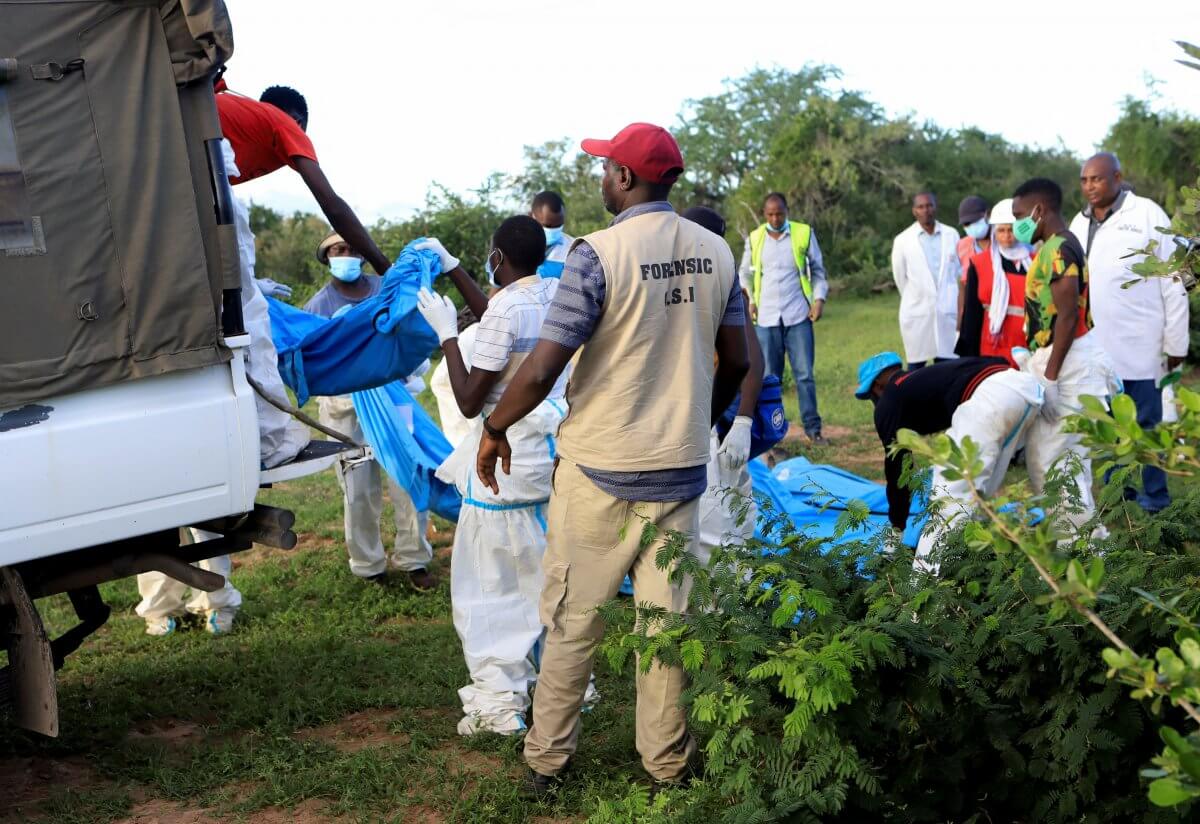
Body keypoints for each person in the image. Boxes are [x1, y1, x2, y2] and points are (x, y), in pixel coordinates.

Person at [473, 123, 748, 794]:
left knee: (572, 620)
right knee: (666, 630)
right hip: (681, 472)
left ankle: (547, 762)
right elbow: (737, 360)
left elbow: (542, 368)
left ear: (625, 179)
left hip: (600, 472)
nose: (600, 180)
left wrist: (494, 428)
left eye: (605, 170)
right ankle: (667, 768)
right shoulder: (717, 251)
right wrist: (695, 423)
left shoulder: (595, 256)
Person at [416, 216, 601, 736]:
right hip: (552, 458)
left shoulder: (505, 311)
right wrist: (453, 270)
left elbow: (473, 398)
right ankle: (567, 685)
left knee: (491, 584)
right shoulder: (551, 294)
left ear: (497, 257)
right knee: (550, 574)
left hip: (505, 458)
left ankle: (499, 701)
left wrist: (448, 337)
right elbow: (501, 317)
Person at [303, 233, 438, 590]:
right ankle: (368, 566)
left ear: (363, 255)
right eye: (337, 251)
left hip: (395, 405)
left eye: (350, 249)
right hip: (347, 413)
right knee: (358, 490)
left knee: (407, 481)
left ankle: (414, 559)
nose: (345, 255)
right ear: (327, 257)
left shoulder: (385, 289)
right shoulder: (319, 306)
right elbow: (315, 361)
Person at [1068, 152, 1190, 513]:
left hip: (1143, 346)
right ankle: (1117, 497)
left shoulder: (1148, 214)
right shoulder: (1079, 222)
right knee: (1108, 428)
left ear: (1118, 177)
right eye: (1085, 180)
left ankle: (1156, 499)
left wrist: (1176, 341)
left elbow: (1175, 280)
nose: (1090, 186)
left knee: (1148, 425)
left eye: (1098, 179)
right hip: (1098, 351)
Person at [856, 353, 1043, 573]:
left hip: (990, 398)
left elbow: (896, 468)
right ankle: (983, 560)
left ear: (877, 387)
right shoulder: (923, 379)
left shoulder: (888, 401)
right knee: (978, 493)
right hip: (1025, 388)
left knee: (947, 500)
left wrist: (897, 527)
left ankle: (922, 592)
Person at [1012, 178, 1119, 534]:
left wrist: (1051, 376)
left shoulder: (1059, 249)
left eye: (1020, 215)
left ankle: (1083, 547)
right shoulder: (1055, 245)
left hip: (1068, 363)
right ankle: (1081, 542)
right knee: (1057, 461)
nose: (1017, 225)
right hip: (1062, 357)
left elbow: (1069, 314)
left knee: (1057, 462)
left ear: (1039, 210)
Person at [215, 81, 392, 277]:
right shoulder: (284, 123)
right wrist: (385, 268)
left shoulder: (248, 126)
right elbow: (331, 204)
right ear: (299, 122)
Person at [684, 206, 765, 563]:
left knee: (717, 516)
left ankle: (729, 607)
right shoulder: (677, 280)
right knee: (729, 508)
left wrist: (743, 424)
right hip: (703, 412)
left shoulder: (724, 283)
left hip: (712, 416)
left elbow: (749, 359)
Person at [741, 192, 829, 444]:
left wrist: (819, 300)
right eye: (770, 214)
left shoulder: (803, 233)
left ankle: (813, 429)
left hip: (798, 315)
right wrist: (751, 302)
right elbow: (744, 274)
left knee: (804, 375)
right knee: (770, 380)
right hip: (766, 319)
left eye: (779, 213)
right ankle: (772, 435)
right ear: (763, 214)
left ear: (786, 211)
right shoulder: (755, 238)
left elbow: (819, 271)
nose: (775, 218)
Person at [956, 199, 1033, 366]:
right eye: (1001, 230)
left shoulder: (1035, 263)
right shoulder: (979, 264)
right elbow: (972, 315)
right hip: (992, 347)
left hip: (1027, 348)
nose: (1007, 236)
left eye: (1011, 230)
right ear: (994, 231)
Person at [891, 192, 962, 369]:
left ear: (935, 207)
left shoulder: (951, 234)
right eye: (921, 207)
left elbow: (957, 273)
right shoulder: (903, 240)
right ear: (914, 211)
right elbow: (900, 278)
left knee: (949, 367)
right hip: (917, 312)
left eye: (929, 205)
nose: (926, 210)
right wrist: (916, 296)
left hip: (947, 311)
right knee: (916, 369)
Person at [956, 195, 992, 329]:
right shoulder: (962, 246)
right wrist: (960, 322)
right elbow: (964, 285)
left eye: (975, 221)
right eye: (967, 224)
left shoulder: (1004, 239)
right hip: (976, 313)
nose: (971, 226)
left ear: (987, 215)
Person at [530, 191, 574, 279]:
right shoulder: (517, 247)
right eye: (548, 226)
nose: (553, 230)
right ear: (533, 217)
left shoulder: (573, 249)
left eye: (558, 226)